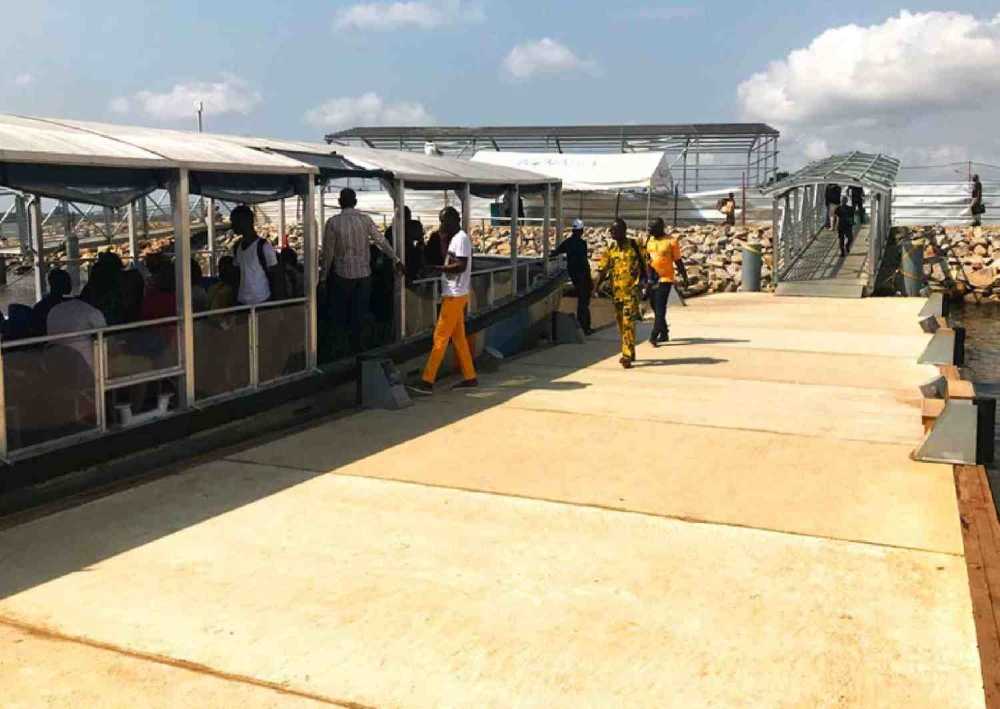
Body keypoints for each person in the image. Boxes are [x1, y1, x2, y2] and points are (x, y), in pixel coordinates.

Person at [321, 188, 403, 353]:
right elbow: (380, 241)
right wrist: (396, 259)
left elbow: (328, 253)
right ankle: (358, 349)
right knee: (360, 313)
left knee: (340, 315)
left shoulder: (333, 222)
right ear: (355, 202)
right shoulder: (365, 220)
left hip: (342, 276)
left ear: (339, 202)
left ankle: (342, 350)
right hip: (364, 276)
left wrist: (323, 277)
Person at [409, 206, 477, 395]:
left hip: (455, 295)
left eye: (444, 220)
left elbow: (461, 266)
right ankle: (470, 376)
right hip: (455, 293)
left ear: (455, 220)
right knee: (458, 339)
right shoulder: (455, 239)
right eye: (440, 220)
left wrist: (439, 269)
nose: (442, 225)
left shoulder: (461, 239)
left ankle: (427, 381)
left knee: (440, 338)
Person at [593, 218, 646, 369]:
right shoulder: (611, 249)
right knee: (621, 324)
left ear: (623, 231)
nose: (611, 233)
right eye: (611, 230)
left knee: (628, 322)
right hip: (616, 293)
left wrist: (645, 284)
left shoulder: (635, 245)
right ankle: (631, 349)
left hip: (632, 292)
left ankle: (626, 355)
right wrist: (595, 287)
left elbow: (646, 265)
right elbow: (603, 269)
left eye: (614, 230)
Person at [645, 218, 688, 347]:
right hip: (652, 279)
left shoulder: (671, 241)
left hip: (665, 279)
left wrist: (684, 276)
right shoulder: (649, 240)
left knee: (660, 308)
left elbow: (678, 261)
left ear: (660, 228)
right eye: (649, 228)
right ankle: (664, 332)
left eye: (652, 228)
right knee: (653, 305)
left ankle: (654, 335)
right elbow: (646, 259)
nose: (650, 230)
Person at [47, 289, 107, 371]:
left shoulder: (54, 309)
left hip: (56, 364)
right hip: (84, 366)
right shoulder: (90, 311)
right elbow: (106, 337)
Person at [230, 205, 278, 305]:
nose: (232, 226)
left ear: (246, 222)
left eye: (235, 221)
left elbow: (276, 276)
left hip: (262, 301)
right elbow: (238, 275)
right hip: (242, 301)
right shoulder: (237, 246)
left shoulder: (264, 247)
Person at [553, 218, 593, 335]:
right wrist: (589, 279)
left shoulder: (568, 242)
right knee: (584, 303)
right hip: (582, 276)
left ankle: (582, 326)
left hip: (574, 275)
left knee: (582, 302)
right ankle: (585, 327)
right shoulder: (582, 244)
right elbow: (584, 263)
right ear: (581, 231)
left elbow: (556, 252)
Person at [384, 206, 425, 282]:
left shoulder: (392, 229)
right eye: (408, 216)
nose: (409, 219)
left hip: (396, 262)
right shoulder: (398, 229)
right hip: (401, 263)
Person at [31, 268, 72, 336]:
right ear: (59, 284)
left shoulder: (41, 306)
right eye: (67, 282)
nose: (70, 284)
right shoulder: (61, 307)